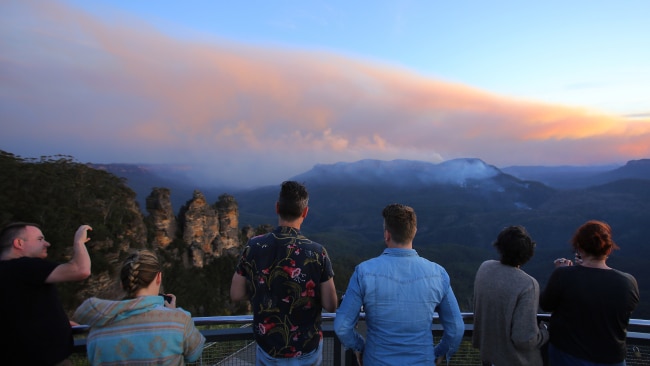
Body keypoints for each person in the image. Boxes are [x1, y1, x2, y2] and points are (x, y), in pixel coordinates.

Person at [334, 203, 464, 366]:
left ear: (387, 235)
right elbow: (456, 328)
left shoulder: (364, 272)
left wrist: (360, 347)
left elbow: (342, 326)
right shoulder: (438, 274)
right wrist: (439, 352)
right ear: (414, 232)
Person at [230, 180, 338, 365]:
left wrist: (261, 290)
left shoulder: (254, 246)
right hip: (306, 348)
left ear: (277, 208)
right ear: (305, 212)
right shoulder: (317, 252)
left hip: (268, 348)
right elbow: (331, 305)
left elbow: (236, 293)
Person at [73, 249, 205, 365]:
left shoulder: (98, 326)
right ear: (159, 277)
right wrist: (173, 313)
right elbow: (194, 354)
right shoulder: (178, 321)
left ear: (122, 284)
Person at [540, 220, 639, 366]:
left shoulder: (563, 276)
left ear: (579, 248)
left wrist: (562, 271)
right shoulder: (628, 282)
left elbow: (546, 304)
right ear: (609, 249)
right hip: (612, 358)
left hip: (568, 356)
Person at [0, 222, 92, 366]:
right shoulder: (24, 266)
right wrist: (79, 242)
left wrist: (58, 321)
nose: (47, 243)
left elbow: (20, 312)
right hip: (44, 359)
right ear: (19, 243)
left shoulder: (9, 272)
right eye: (40, 239)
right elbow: (81, 270)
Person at [472, 225, 549, 365]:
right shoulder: (527, 284)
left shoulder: (485, 268)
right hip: (515, 360)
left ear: (500, 246)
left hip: (489, 357)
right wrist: (546, 332)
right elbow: (524, 339)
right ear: (528, 253)